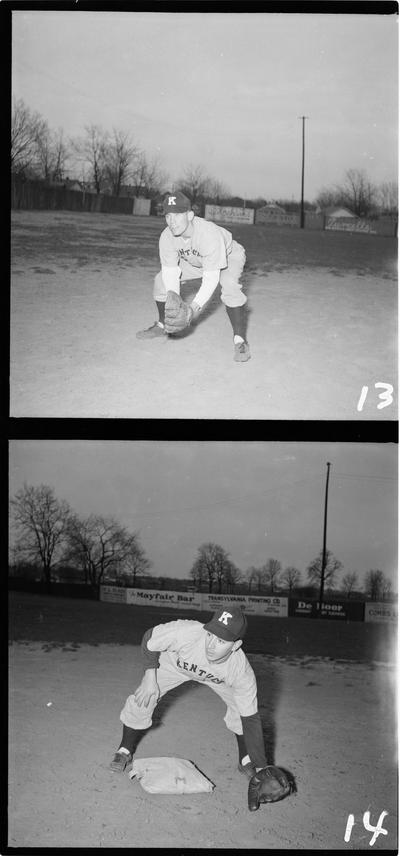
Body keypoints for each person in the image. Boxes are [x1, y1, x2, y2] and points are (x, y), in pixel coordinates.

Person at [110, 604, 268, 778]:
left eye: (221, 641)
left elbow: (251, 719)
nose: (211, 644)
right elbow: (150, 638)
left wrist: (261, 768)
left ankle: (246, 760)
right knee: (144, 696)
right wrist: (149, 677)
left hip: (219, 678)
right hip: (173, 666)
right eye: (210, 634)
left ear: (236, 645)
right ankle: (124, 750)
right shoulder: (188, 632)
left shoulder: (240, 671)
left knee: (240, 710)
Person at [136, 192, 251, 362]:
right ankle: (163, 325)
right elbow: (170, 272)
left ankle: (240, 341)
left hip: (228, 256)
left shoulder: (208, 234)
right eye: (168, 215)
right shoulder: (167, 237)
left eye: (177, 215)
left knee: (229, 285)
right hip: (195, 260)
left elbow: (211, 279)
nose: (171, 221)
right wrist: (174, 301)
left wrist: (192, 309)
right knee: (161, 281)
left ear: (190, 215)